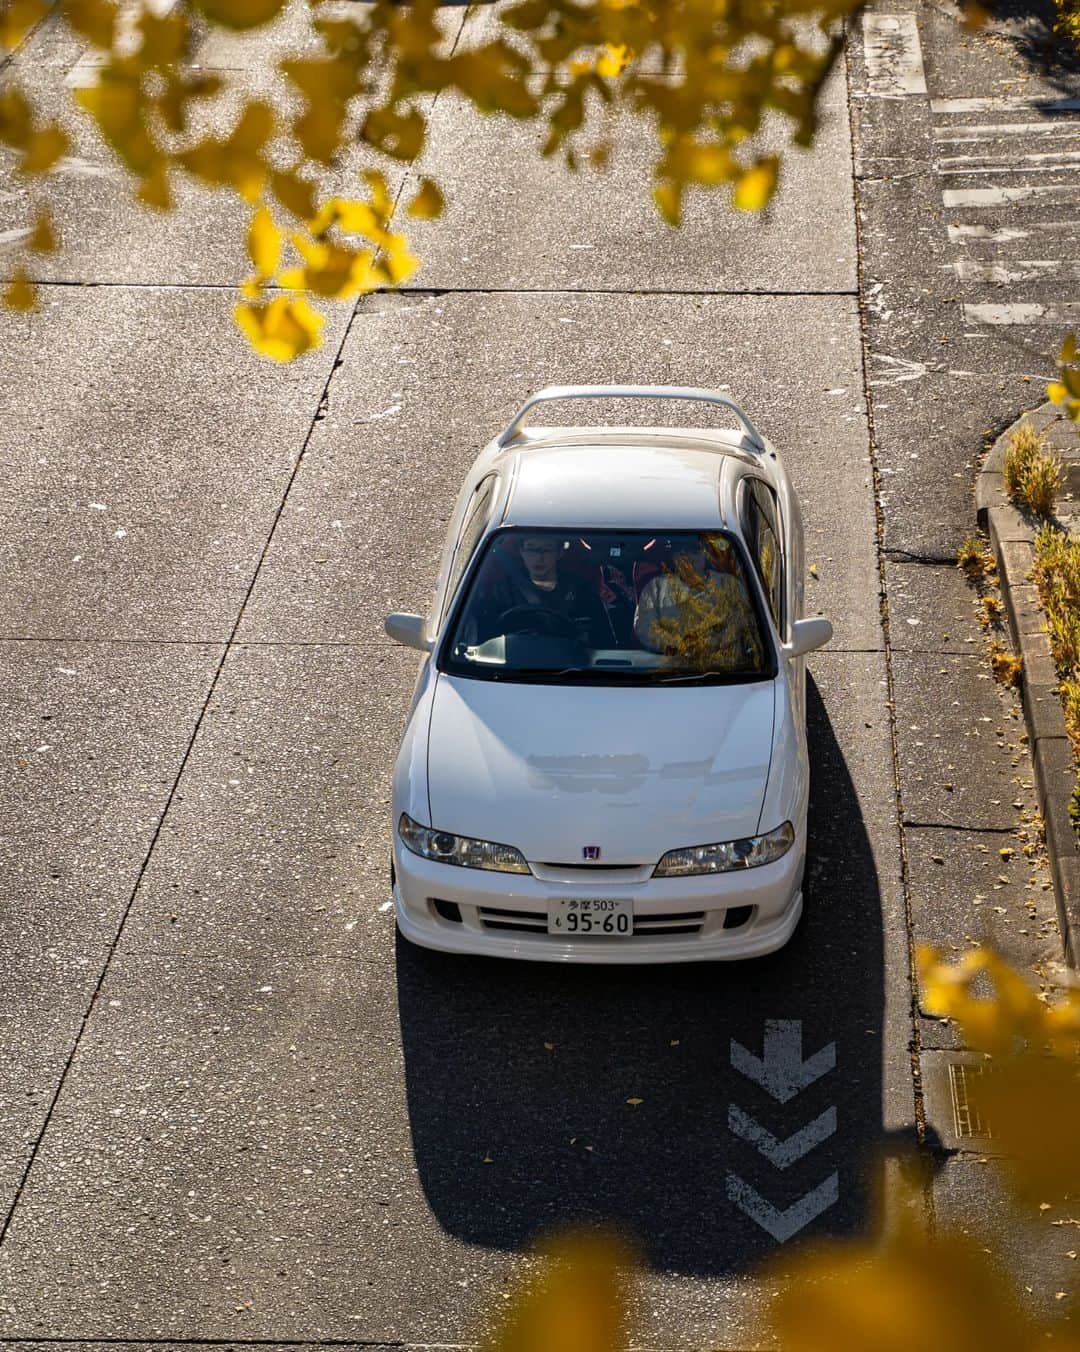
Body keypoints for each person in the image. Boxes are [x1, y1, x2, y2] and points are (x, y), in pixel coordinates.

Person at [633, 536, 764, 673]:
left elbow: (748, 622)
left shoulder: (729, 585)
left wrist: (715, 641)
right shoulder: (656, 588)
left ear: (704, 555)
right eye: (683, 553)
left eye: (695, 552)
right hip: (673, 673)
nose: (690, 559)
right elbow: (644, 626)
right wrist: (679, 644)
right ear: (675, 557)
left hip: (727, 673)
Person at [474, 534, 613, 645]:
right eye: (531, 548)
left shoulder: (582, 591)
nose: (538, 557)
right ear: (522, 552)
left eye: (547, 549)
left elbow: (605, 641)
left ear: (559, 553)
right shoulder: (502, 592)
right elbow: (485, 644)